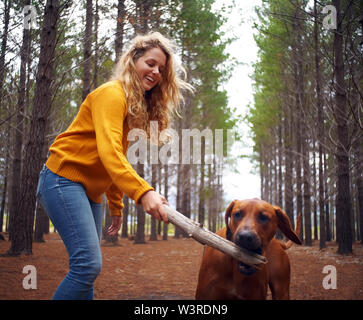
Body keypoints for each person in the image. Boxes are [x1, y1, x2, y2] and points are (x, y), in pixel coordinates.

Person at [36, 32, 193, 300]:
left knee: (85, 273)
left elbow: (115, 155)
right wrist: (144, 192)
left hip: (89, 193)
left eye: (161, 69)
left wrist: (116, 205)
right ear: (133, 60)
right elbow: (108, 151)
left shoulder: (133, 105)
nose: (155, 72)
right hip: (62, 180)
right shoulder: (111, 94)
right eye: (150, 63)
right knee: (87, 266)